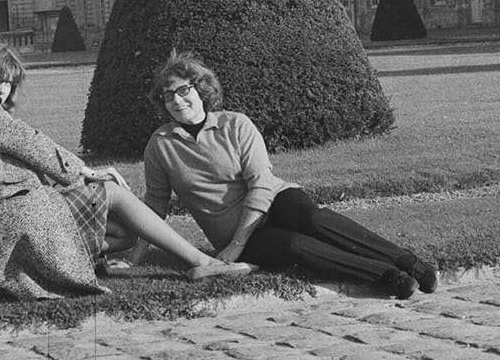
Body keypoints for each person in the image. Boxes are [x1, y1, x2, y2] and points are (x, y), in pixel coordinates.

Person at [0, 41, 253, 301]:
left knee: (124, 232)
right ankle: (203, 262)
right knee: (113, 192)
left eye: (9, 82)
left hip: (2, 228)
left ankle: (61, 261)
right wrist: (84, 170)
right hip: (15, 217)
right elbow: (29, 141)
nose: (2, 89)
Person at [136, 53, 436, 300]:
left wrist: (237, 245)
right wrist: (135, 257)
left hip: (273, 201)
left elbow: (260, 184)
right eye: (168, 96)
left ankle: (407, 261)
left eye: (183, 90)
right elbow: (154, 206)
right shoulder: (160, 145)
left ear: (200, 89)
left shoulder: (236, 124)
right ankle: (390, 276)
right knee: (294, 246)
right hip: (234, 230)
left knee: (313, 220)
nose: (177, 100)